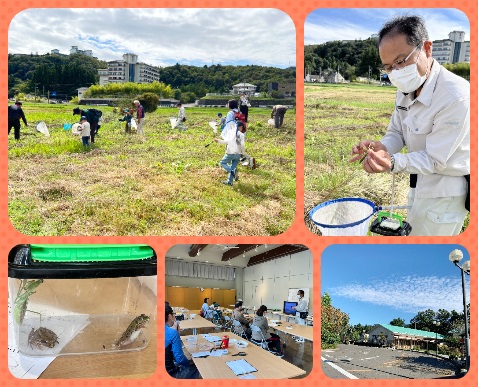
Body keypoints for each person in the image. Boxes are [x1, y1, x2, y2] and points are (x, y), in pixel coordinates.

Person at [349, 15, 469, 236]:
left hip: (445, 191)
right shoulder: (406, 87)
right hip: (419, 179)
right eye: (388, 67)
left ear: (427, 48)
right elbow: (397, 131)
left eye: (401, 61)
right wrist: (381, 147)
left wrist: (392, 162)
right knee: (413, 232)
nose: (396, 71)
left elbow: (435, 159)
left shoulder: (456, 96)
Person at [165, 304, 200, 379]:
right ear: (169, 316)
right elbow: (180, 359)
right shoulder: (172, 333)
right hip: (170, 374)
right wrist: (189, 362)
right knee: (196, 367)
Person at [214, 121, 246, 186]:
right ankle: (230, 182)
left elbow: (226, 141)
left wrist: (218, 141)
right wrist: (243, 153)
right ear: (241, 127)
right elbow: (242, 145)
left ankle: (232, 172)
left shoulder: (231, 133)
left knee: (222, 163)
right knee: (233, 166)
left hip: (230, 152)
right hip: (238, 154)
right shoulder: (242, 135)